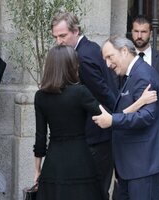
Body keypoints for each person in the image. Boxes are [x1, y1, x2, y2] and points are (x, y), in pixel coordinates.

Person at [92, 35, 159, 200]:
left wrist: (112, 120)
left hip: (144, 164)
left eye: (110, 57)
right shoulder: (133, 74)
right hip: (132, 165)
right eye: (105, 59)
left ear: (124, 51)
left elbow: (147, 116)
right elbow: (131, 110)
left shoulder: (143, 75)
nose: (108, 64)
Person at [50, 12, 119, 200]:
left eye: (63, 36)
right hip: (100, 135)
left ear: (76, 31)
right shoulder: (91, 47)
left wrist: (118, 119)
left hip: (96, 136)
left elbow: (104, 93)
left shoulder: (82, 57)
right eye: (55, 37)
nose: (59, 41)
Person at [33, 45, 105, 200]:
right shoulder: (80, 92)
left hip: (54, 163)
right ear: (71, 65)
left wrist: (37, 170)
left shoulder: (40, 96)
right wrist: (137, 105)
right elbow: (106, 117)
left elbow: (40, 137)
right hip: (80, 161)